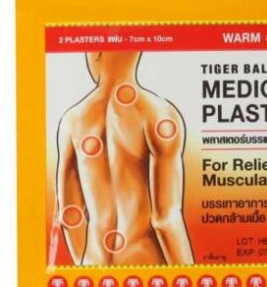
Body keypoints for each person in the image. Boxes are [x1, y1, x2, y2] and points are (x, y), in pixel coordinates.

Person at [56, 51, 194, 265]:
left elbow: (69, 214)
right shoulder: (157, 114)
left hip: (94, 266)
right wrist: (188, 277)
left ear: (96, 53)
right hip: (146, 266)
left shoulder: (72, 121)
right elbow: (165, 219)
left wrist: (85, 268)